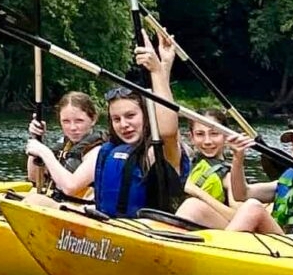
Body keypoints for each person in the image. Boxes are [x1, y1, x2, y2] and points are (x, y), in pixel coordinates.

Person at [23, 36, 182, 218]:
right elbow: (34, 179)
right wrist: (36, 141)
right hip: (104, 223)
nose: (124, 124)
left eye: (130, 116)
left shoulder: (156, 151)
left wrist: (158, 71)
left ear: (147, 117)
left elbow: (168, 130)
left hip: (141, 231)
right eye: (116, 119)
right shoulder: (110, 150)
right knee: (34, 201)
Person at [26, 91, 104, 196]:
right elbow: (35, 177)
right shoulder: (64, 144)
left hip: (80, 208)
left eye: (79, 121)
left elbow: (71, 188)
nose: (72, 128)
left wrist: (44, 152)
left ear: (93, 119)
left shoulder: (97, 150)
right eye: (66, 121)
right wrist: (36, 139)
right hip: (59, 201)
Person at [179, 111, 238, 221]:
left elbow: (237, 217)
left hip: (217, 230)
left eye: (214, 133)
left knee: (191, 205)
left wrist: (197, 192)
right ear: (191, 137)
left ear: (225, 136)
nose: (207, 141)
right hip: (187, 223)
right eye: (200, 134)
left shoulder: (229, 176)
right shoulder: (187, 161)